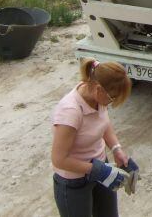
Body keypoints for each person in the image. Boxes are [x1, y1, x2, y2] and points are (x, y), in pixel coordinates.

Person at [51, 58, 135, 217]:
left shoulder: (98, 99)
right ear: (98, 89)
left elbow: (103, 123)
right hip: (74, 182)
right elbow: (59, 159)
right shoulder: (70, 112)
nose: (112, 102)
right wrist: (97, 170)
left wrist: (117, 149)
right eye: (112, 97)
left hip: (100, 169)